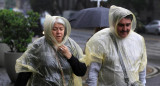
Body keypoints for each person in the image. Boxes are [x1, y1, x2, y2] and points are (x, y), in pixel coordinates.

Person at [82, 5, 147, 86]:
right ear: (114, 24)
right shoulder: (102, 41)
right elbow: (93, 71)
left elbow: (142, 68)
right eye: (121, 25)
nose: (125, 29)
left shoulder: (138, 40)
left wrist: (143, 84)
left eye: (128, 25)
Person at [15, 15, 87, 86]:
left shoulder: (71, 45)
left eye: (61, 29)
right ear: (49, 30)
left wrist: (70, 56)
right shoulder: (38, 45)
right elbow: (25, 71)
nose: (58, 32)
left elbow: (81, 71)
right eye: (55, 29)